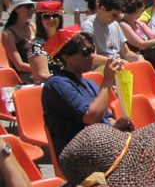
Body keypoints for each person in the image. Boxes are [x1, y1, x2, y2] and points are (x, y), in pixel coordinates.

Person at [41, 26, 132, 156]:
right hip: (78, 154)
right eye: (85, 53)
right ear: (66, 57)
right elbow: (91, 118)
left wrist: (117, 125)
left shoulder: (88, 83)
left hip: (101, 143)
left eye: (92, 50)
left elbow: (104, 117)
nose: (92, 56)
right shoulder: (57, 84)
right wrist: (107, 81)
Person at [81, 0, 140, 65]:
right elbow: (92, 57)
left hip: (117, 63)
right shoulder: (88, 26)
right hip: (101, 67)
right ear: (102, 9)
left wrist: (138, 58)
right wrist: (118, 62)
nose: (115, 19)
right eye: (113, 16)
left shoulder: (115, 24)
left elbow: (126, 52)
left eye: (118, 16)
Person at [1, 0, 36, 81]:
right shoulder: (8, 34)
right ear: (17, 9)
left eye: (32, 7)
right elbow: (19, 66)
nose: (32, 10)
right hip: (24, 76)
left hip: (39, 70)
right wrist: (41, 69)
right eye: (28, 7)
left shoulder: (32, 26)